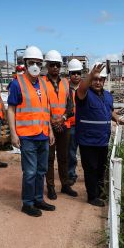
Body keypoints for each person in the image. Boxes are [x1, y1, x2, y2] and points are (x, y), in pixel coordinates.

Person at [7, 46, 56, 217]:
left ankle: (38, 199)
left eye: (38, 62)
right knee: (30, 172)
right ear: (25, 63)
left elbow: (45, 109)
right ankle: (27, 203)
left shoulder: (43, 83)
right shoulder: (17, 83)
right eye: (31, 62)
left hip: (43, 134)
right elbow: (11, 109)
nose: (35, 65)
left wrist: (50, 130)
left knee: (41, 170)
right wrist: (13, 133)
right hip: (27, 136)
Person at [74, 62, 124, 206]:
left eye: (100, 79)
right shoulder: (84, 94)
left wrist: (116, 118)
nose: (97, 82)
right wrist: (91, 74)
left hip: (103, 140)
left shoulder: (108, 96)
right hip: (87, 141)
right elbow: (81, 88)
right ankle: (92, 197)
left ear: (104, 81)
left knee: (101, 169)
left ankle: (100, 192)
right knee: (90, 169)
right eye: (95, 79)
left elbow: (108, 110)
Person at [42, 50, 77, 199]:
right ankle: (50, 187)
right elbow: (41, 105)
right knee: (49, 158)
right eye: (52, 65)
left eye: (57, 65)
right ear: (47, 66)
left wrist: (62, 118)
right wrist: (51, 121)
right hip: (48, 127)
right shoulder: (42, 83)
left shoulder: (66, 83)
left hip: (64, 125)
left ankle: (65, 185)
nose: (55, 67)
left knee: (64, 157)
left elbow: (70, 106)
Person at [65, 58, 82, 185]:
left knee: (87, 152)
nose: (76, 75)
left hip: (84, 125)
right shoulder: (65, 88)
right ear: (69, 74)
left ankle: (89, 174)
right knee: (71, 152)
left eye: (78, 73)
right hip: (70, 125)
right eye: (73, 73)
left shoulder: (85, 88)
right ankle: (71, 174)